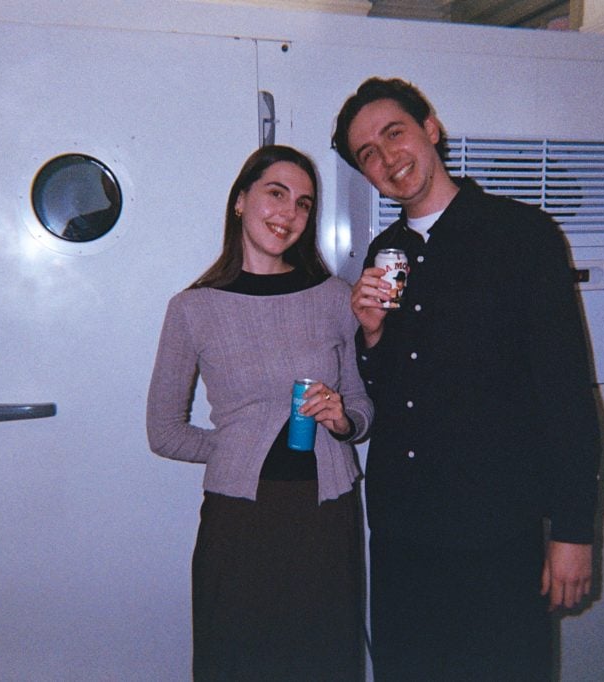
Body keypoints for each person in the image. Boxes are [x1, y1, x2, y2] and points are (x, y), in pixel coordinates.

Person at [332, 77, 603, 680]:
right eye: (367, 154)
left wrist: (573, 530)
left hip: (494, 529)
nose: (385, 157)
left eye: (393, 133)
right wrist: (372, 335)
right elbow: (388, 392)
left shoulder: (522, 236)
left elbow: (565, 392)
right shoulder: (385, 250)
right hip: (403, 529)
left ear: (431, 130)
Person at [146, 145, 373, 681]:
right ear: (241, 200)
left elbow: (363, 406)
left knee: (325, 665)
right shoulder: (193, 308)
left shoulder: (335, 297)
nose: (288, 214)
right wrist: (237, 449)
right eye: (276, 194)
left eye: (303, 204)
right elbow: (164, 432)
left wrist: (343, 421)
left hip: (327, 512)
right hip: (240, 520)